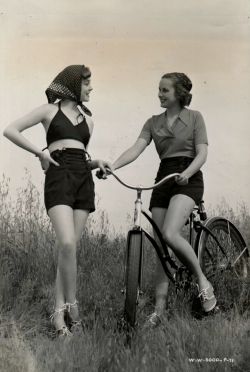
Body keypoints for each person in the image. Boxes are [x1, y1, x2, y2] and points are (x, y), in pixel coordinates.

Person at [3, 64, 112, 336]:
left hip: (82, 180)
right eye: (87, 84)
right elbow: (11, 130)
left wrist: (97, 162)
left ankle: (57, 314)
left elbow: (82, 156)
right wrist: (39, 153)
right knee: (66, 242)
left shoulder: (90, 121)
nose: (91, 89)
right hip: (58, 175)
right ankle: (72, 307)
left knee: (71, 248)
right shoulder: (49, 111)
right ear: (74, 84)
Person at [110, 72, 216, 325]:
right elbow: (136, 148)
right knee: (161, 247)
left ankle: (203, 281)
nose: (159, 94)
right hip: (164, 178)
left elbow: (202, 153)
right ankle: (159, 309)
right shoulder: (152, 122)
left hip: (188, 177)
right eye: (159, 89)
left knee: (169, 232)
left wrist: (188, 173)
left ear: (179, 93)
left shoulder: (194, 118)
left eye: (164, 90)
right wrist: (113, 167)